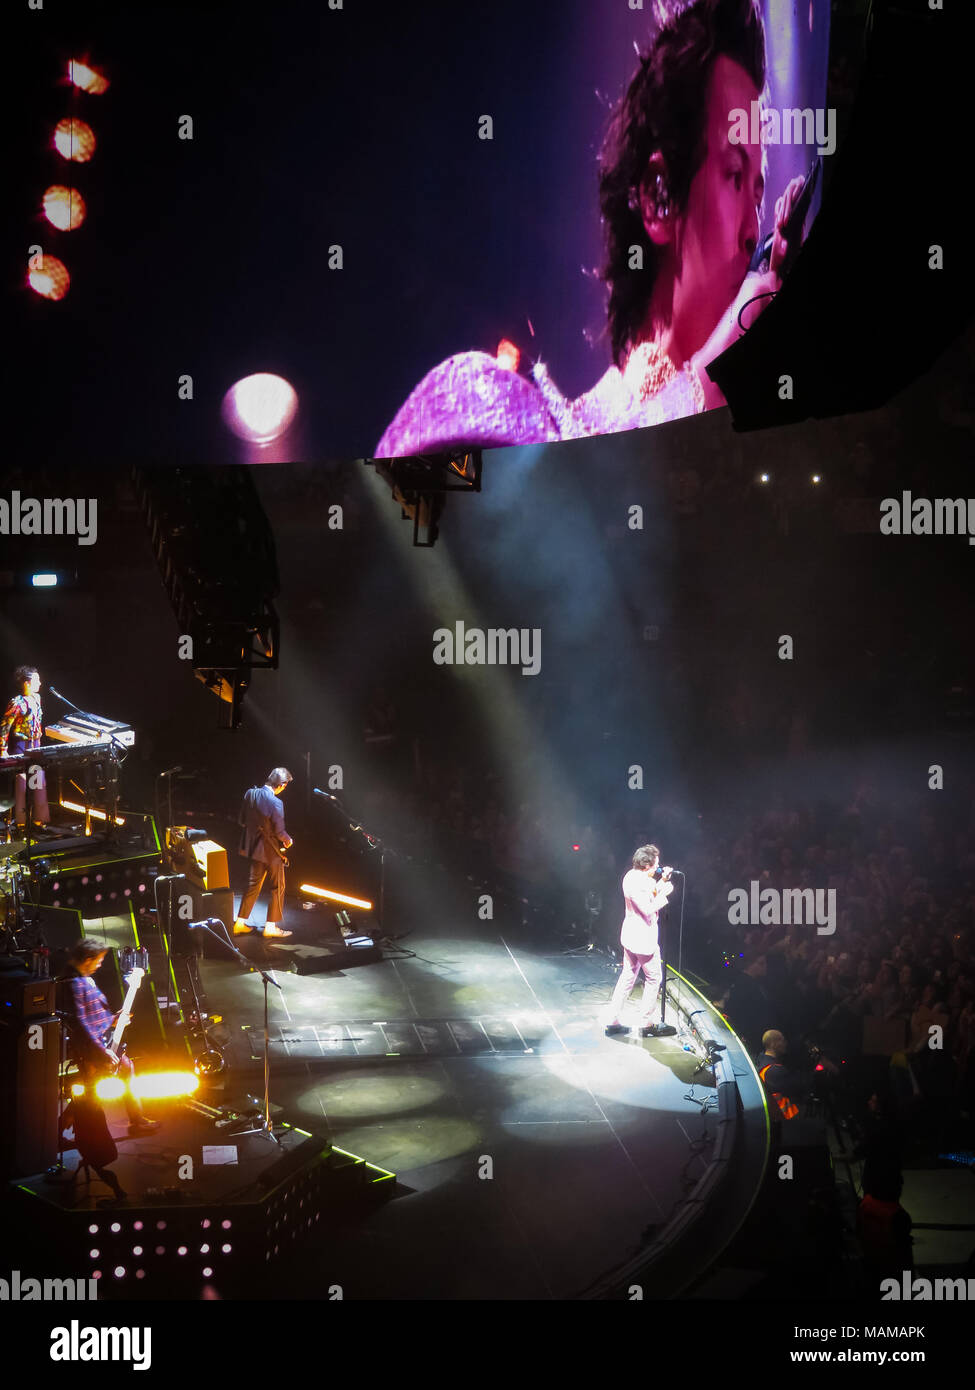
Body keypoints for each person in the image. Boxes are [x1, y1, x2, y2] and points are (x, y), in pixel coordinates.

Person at [376, 0, 807, 455]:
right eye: (734, 176)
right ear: (659, 198)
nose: (751, 231)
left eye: (758, 196)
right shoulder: (485, 408)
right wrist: (711, 375)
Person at [58, 940, 160, 1138]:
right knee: (91, 1094)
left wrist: (113, 1020)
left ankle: (137, 1120)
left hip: (102, 1042)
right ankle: (56, 1132)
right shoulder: (74, 984)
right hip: (94, 1047)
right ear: (88, 959)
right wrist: (101, 1050)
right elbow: (80, 1022)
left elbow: (92, 1015)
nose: (100, 964)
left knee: (120, 1072)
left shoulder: (84, 979)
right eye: (99, 960)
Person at [604, 844, 674, 1037]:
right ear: (647, 865)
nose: (659, 866)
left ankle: (613, 1020)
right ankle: (646, 1023)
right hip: (643, 939)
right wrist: (665, 893)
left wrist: (662, 881)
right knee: (654, 978)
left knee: (628, 975)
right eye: (656, 864)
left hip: (631, 936)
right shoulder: (640, 882)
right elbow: (648, 907)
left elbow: (649, 894)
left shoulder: (631, 876)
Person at [234, 767, 294, 938]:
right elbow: (280, 832)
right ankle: (270, 927)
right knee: (277, 887)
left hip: (254, 849)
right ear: (281, 785)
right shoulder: (276, 803)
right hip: (271, 852)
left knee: (252, 886)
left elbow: (242, 820)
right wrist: (288, 840)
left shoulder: (249, 794)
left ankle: (239, 923)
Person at [0, 665, 51, 831]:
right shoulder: (16, 703)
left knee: (37, 782)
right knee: (22, 784)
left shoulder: (37, 698)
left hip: (35, 745)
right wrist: (3, 749)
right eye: (36, 680)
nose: (40, 683)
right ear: (27, 683)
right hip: (21, 747)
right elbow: (5, 727)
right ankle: (21, 822)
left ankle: (38, 821)